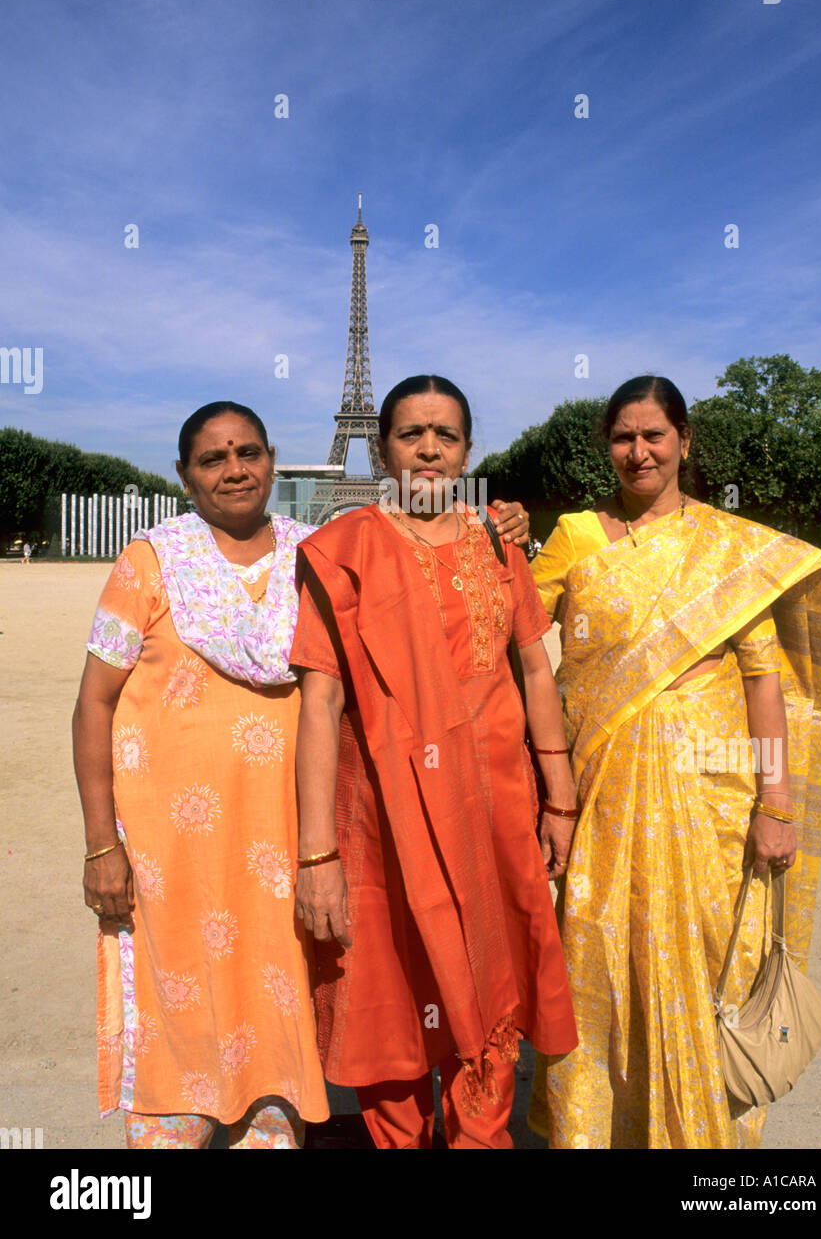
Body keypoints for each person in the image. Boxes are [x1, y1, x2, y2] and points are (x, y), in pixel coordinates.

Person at [72, 399, 530, 1149]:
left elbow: (413, 585)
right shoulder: (148, 563)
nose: (234, 470)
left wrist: (497, 522)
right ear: (183, 475)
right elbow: (93, 706)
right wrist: (100, 844)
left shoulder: (318, 551)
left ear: (273, 460)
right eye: (213, 458)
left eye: (248, 453)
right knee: (178, 992)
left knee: (277, 992)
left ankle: (271, 1118)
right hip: (169, 854)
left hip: (285, 843)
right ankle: (171, 1118)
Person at [528, 376, 821, 1150]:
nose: (639, 452)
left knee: (700, 965)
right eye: (624, 437)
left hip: (712, 799)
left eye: (654, 436)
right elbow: (513, 637)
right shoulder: (576, 536)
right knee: (599, 961)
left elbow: (764, 682)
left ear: (684, 442)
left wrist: (776, 804)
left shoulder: (730, 551)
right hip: (599, 791)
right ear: (608, 446)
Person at [290, 374, 579, 1149]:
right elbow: (320, 703)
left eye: (444, 435)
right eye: (411, 433)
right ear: (382, 447)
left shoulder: (497, 541)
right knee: (392, 982)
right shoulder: (341, 549)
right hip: (385, 820)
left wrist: (559, 797)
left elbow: (537, 671)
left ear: (466, 451)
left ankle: (480, 1136)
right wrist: (316, 853)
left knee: (488, 983)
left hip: (493, 814)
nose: (427, 448)